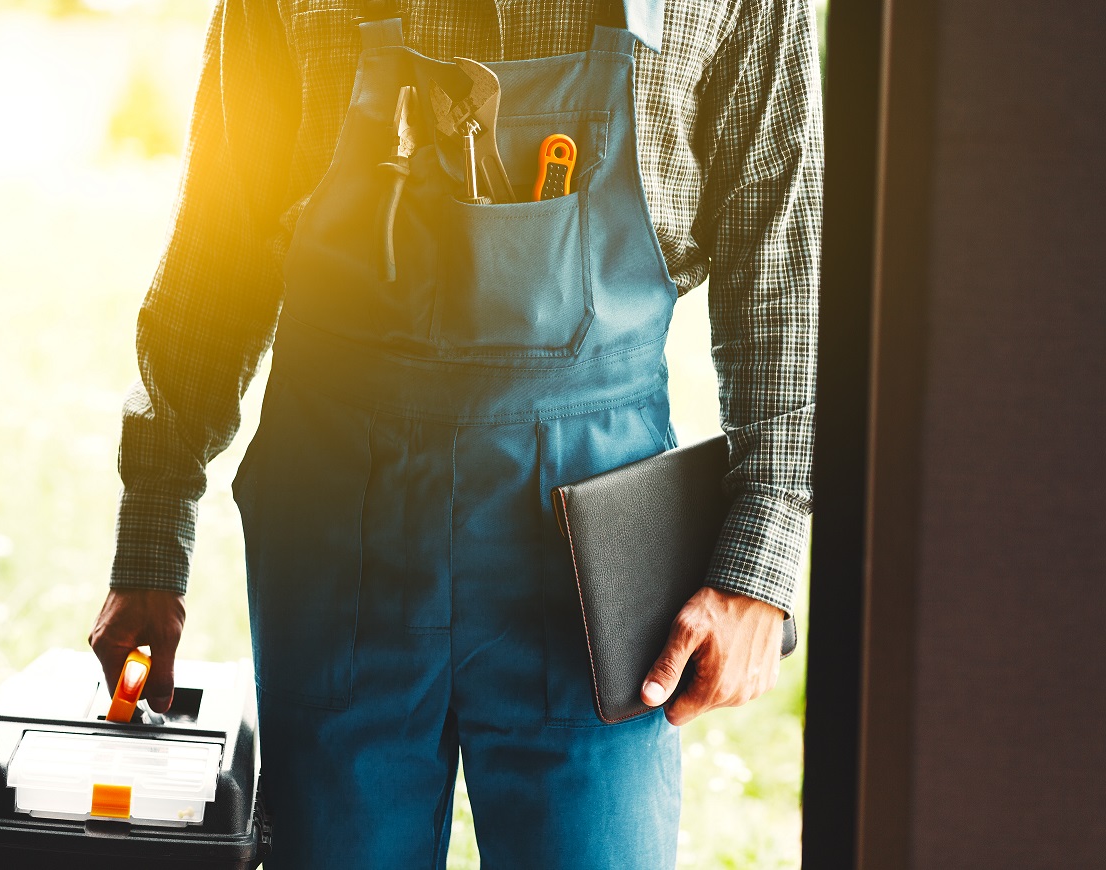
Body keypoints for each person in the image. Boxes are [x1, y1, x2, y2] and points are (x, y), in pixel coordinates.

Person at [88, 0, 820, 866]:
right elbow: (220, 252)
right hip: (339, 534)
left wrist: (760, 561)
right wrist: (150, 542)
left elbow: (780, 266)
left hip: (597, 556)